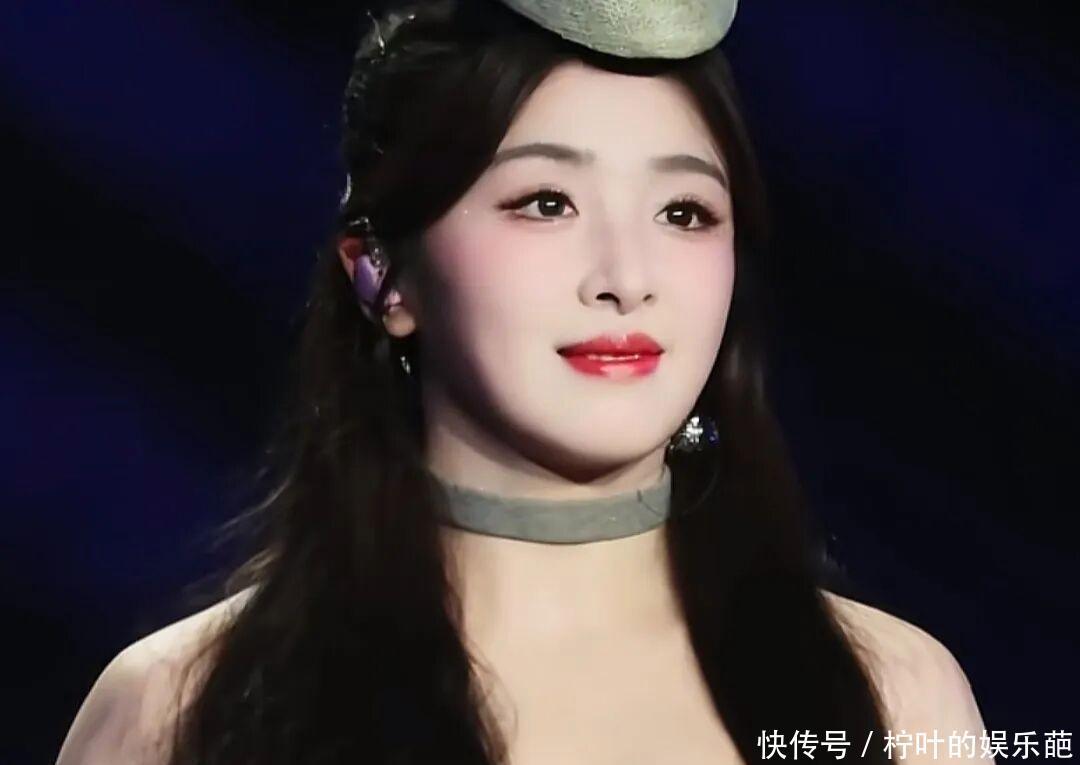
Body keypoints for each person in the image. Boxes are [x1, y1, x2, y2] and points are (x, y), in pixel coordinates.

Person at [56, 0, 992, 763]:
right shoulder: (184, 710)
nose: (627, 276)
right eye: (547, 202)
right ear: (381, 275)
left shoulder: (891, 698)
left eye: (683, 211)